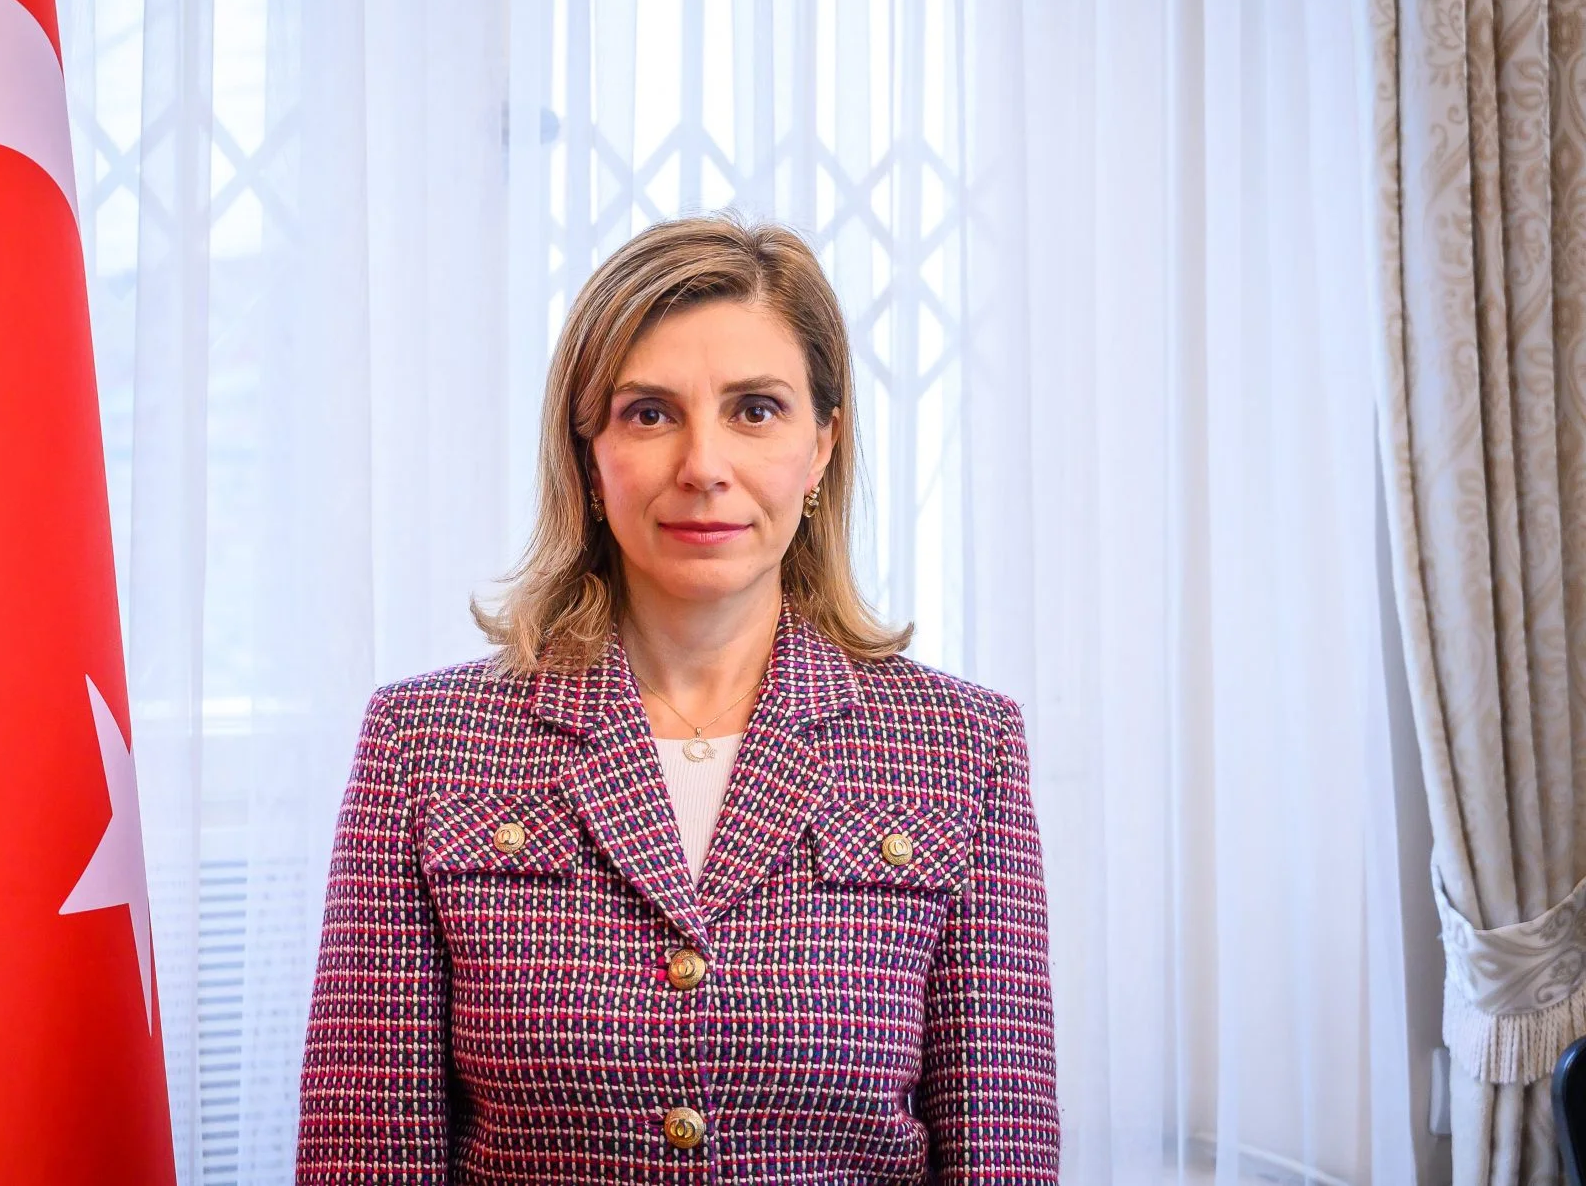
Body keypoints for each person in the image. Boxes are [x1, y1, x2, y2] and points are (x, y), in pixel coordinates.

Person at [295, 215, 1058, 1182]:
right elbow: (364, 1151)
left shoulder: (962, 744)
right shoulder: (424, 742)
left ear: (822, 446)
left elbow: (1003, 1150)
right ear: (589, 455)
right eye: (650, 414)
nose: (703, 465)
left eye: (756, 409)